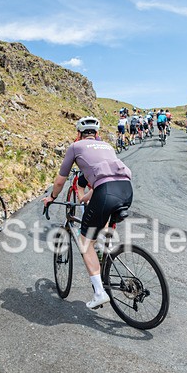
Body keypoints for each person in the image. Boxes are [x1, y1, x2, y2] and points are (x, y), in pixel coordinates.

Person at [42, 116, 133, 309]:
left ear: (78, 134)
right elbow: (109, 175)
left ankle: (99, 292)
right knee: (99, 229)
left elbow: (60, 181)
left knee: (85, 242)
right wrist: (88, 196)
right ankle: (104, 252)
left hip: (105, 192)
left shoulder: (76, 147)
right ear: (97, 134)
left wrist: (51, 197)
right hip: (126, 190)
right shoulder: (107, 146)